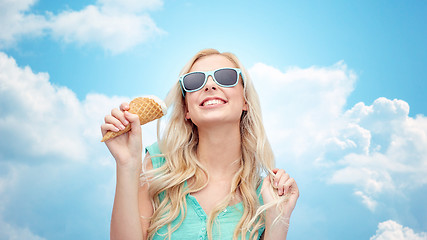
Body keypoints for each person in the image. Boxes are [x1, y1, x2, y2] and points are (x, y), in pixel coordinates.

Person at [101, 49, 299, 240]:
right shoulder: (158, 166)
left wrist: (278, 218)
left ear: (245, 100)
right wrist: (126, 164)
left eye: (226, 77)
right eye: (194, 81)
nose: (210, 86)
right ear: (187, 108)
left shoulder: (264, 194)